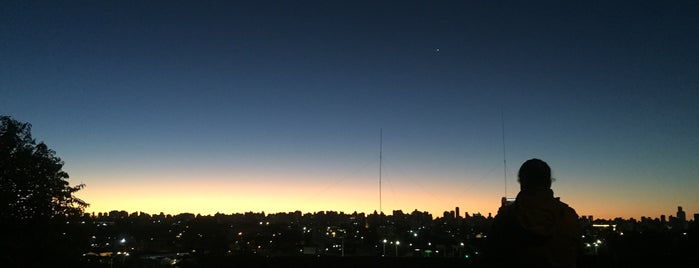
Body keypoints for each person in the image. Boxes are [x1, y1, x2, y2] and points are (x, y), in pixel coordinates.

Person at [487, 158, 581, 268]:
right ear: (549, 182)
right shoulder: (568, 216)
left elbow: (491, 255)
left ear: (522, 182)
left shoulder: (506, 217)